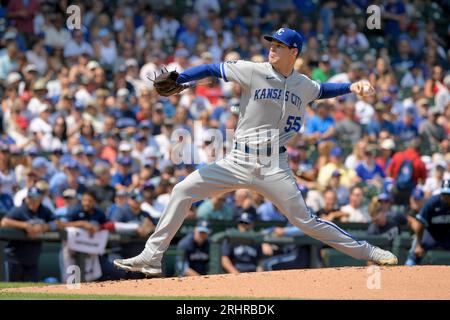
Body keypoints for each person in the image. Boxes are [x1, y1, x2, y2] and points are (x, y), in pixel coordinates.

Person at [114, 27, 397, 277]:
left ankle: (368, 252)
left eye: (278, 46)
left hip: (274, 164)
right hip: (237, 160)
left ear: (293, 52)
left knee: (306, 221)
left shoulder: (304, 84)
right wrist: (183, 78)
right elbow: (213, 68)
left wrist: (351, 86)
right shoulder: (254, 70)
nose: (271, 49)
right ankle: (152, 257)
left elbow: (323, 89)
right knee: (182, 190)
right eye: (271, 44)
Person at [1, 187, 58, 282]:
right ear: (27, 199)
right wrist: (25, 225)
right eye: (31, 198)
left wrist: (44, 227)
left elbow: (57, 223)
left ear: (40, 199)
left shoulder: (44, 210)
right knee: (12, 291)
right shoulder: (20, 210)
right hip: (15, 258)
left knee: (31, 290)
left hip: (32, 258)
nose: (33, 201)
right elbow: (4, 222)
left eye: (36, 198)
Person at [405, 180, 450, 266]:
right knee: (415, 253)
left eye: (448, 195)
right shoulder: (432, 202)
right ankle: (408, 267)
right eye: (444, 194)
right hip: (431, 234)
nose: (446, 197)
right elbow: (420, 223)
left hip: (447, 235)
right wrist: (418, 244)